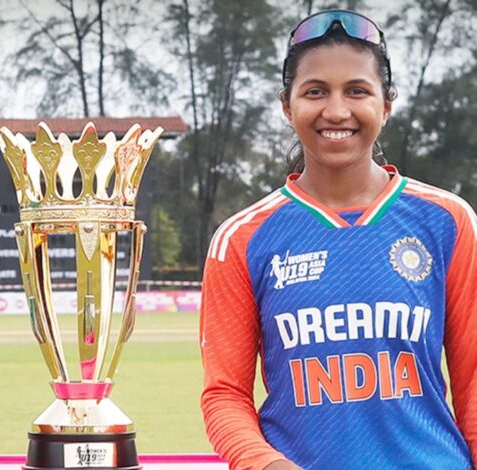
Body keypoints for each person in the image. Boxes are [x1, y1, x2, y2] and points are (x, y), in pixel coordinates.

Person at [200, 10, 477, 470]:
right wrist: (268, 465)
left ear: (386, 105)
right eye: (315, 91)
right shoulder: (242, 238)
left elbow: (473, 383)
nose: (336, 111)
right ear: (287, 106)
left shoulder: (448, 220)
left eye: (357, 91)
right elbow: (224, 395)